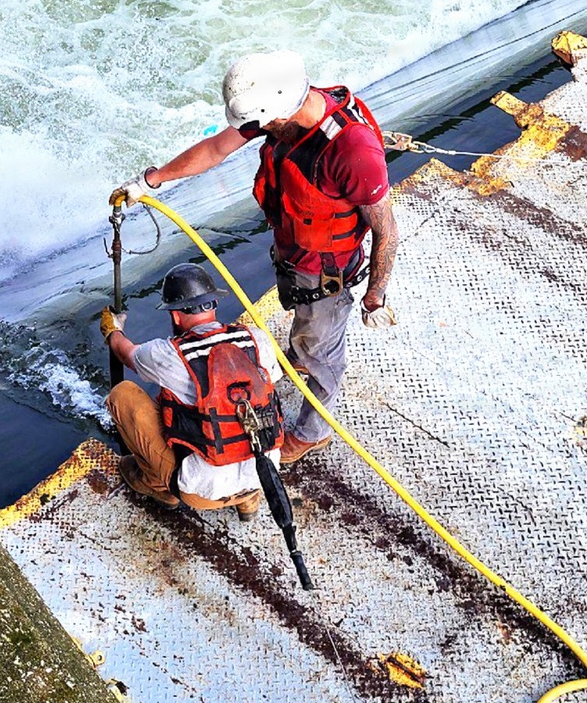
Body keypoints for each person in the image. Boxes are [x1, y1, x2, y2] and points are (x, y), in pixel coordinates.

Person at [113, 50, 398, 464]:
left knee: (324, 356)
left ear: (276, 113)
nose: (254, 131)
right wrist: (150, 180)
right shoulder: (282, 109)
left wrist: (375, 296)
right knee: (307, 337)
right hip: (294, 258)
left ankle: (312, 432)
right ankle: (301, 357)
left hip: (326, 276)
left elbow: (386, 229)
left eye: (260, 124)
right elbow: (214, 149)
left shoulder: (352, 152)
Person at [101, 263, 284, 521]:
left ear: (175, 316)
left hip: (201, 492)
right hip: (265, 476)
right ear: (213, 305)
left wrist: (112, 330)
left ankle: (159, 487)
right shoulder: (255, 338)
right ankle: (248, 501)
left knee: (123, 395)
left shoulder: (169, 354)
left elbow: (125, 352)